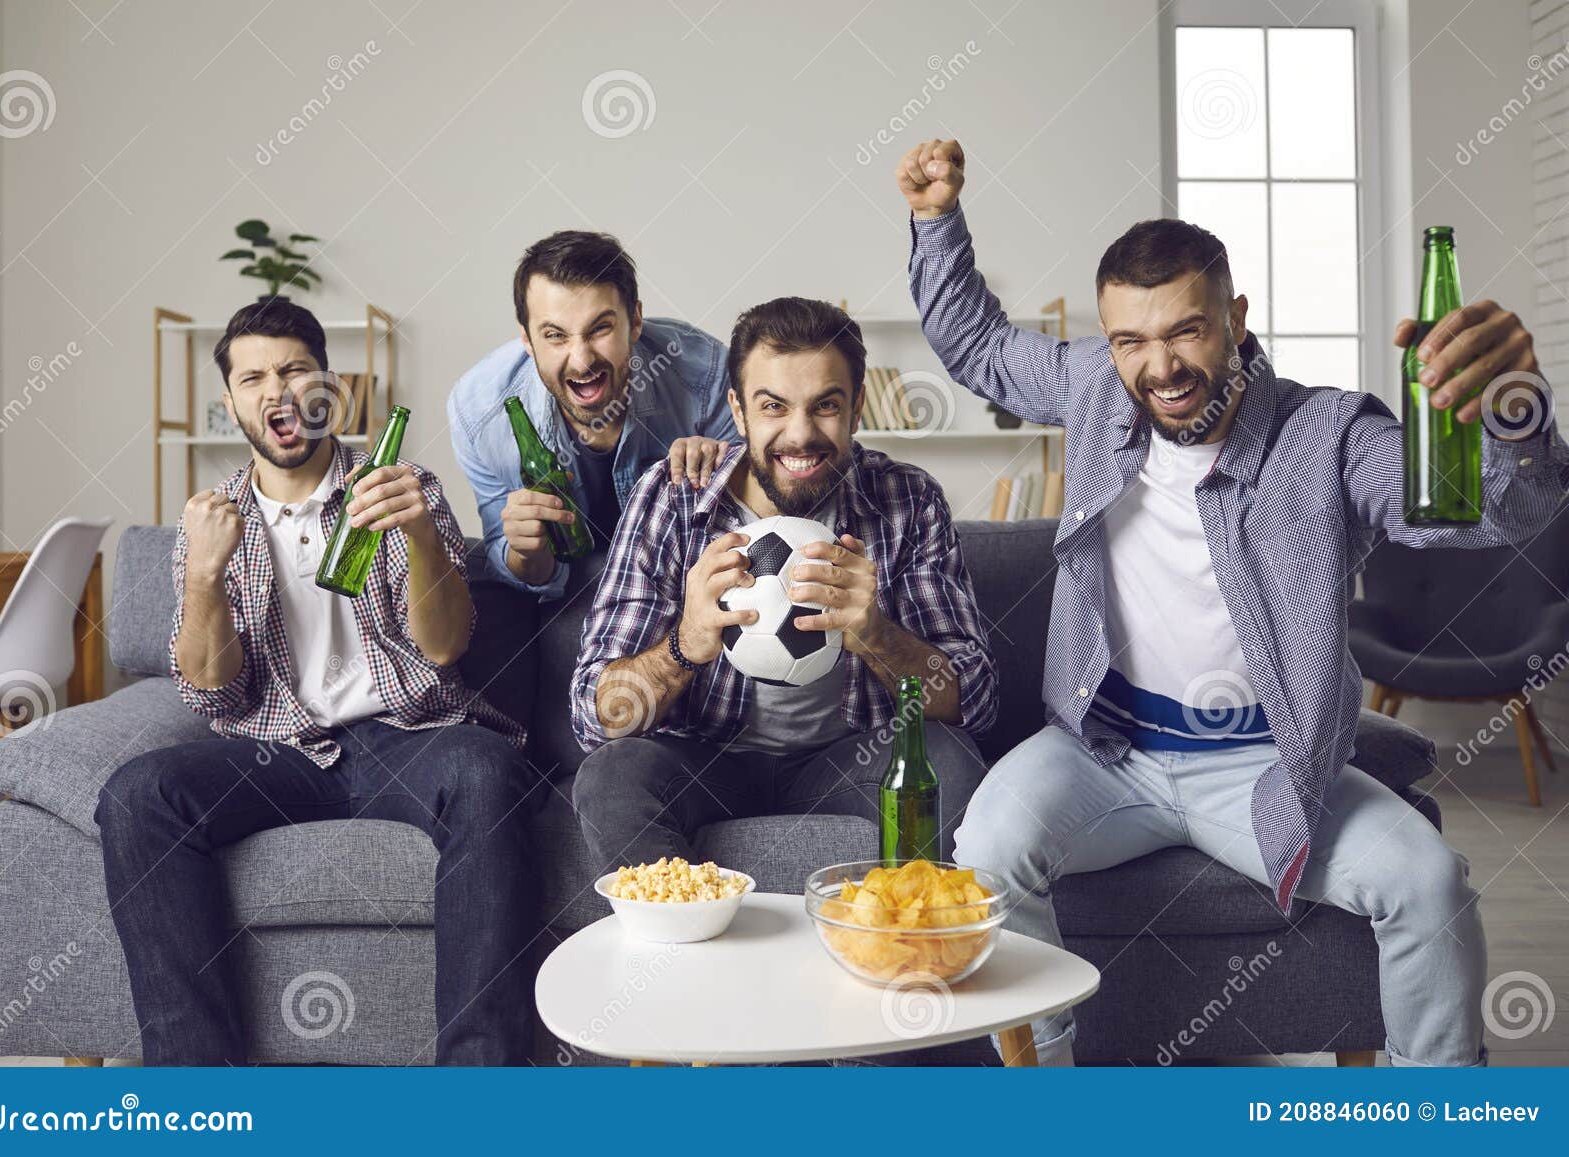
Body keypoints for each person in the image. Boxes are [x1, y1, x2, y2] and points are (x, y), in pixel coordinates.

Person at [898, 137, 1568, 1068]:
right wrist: (936, 220)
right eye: (1132, 340)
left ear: (1236, 318)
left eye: (1186, 331)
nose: (1160, 366)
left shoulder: (1330, 431)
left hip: (1264, 769)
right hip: (1107, 755)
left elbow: (1489, 515)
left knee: (1429, 881)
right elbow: (977, 344)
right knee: (989, 847)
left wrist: (1515, 408)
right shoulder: (1097, 386)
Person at [95, 301, 538, 1066]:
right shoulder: (210, 520)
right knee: (136, 794)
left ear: (329, 386)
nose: (279, 390)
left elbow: (445, 647)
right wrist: (204, 573)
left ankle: (479, 1085)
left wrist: (424, 536)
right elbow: (213, 693)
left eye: (296, 369)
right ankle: (201, 1090)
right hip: (279, 750)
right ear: (231, 401)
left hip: (405, 735)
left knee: (487, 769)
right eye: (254, 377)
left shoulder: (396, 486)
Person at [569, 296, 997, 872]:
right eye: (773, 407)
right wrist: (685, 644)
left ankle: (906, 945)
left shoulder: (906, 499)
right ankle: (684, 949)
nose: (800, 436)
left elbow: (974, 700)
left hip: (849, 758)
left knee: (949, 762)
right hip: (706, 759)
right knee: (611, 775)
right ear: (738, 412)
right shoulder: (671, 498)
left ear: (857, 408)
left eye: (825, 406)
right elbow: (596, 716)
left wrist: (876, 635)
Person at [449, 229, 737, 600]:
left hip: (680, 578)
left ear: (635, 321)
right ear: (527, 339)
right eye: (555, 335)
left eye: (600, 328)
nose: (582, 361)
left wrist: (724, 468)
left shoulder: (708, 375)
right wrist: (525, 552)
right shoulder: (479, 411)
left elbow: (750, 523)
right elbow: (523, 573)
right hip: (567, 588)